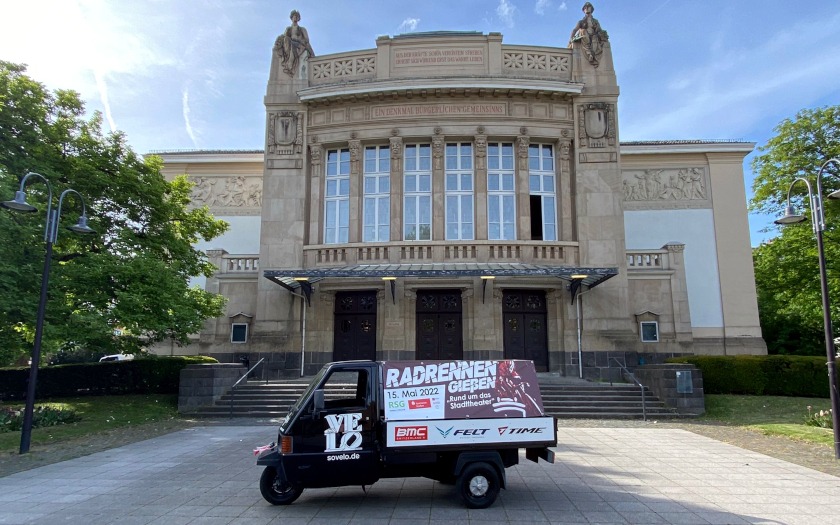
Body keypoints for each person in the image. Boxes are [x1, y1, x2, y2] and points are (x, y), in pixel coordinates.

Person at [274, 10, 315, 77]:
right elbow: (284, 37)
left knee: (293, 46)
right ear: (291, 18)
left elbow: (306, 40)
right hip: (289, 45)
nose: (295, 18)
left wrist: (297, 39)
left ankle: (289, 65)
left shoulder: (302, 29)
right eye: (294, 16)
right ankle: (289, 63)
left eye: (296, 16)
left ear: (298, 18)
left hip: (299, 45)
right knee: (287, 40)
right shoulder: (288, 28)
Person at [569, 2, 609, 67]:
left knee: (595, 38)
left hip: (593, 36)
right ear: (583, 10)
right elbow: (574, 30)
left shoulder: (595, 21)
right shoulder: (581, 22)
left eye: (588, 7)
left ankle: (593, 57)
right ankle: (589, 53)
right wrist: (570, 39)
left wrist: (604, 34)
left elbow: (599, 30)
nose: (587, 8)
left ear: (591, 9)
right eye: (585, 8)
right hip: (585, 36)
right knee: (583, 31)